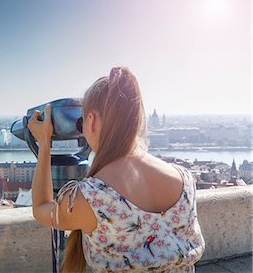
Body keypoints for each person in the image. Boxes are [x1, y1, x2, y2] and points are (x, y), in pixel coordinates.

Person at [28, 67, 205, 272]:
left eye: (83, 120)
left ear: (91, 121)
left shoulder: (93, 197)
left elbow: (41, 207)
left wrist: (44, 144)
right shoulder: (184, 179)